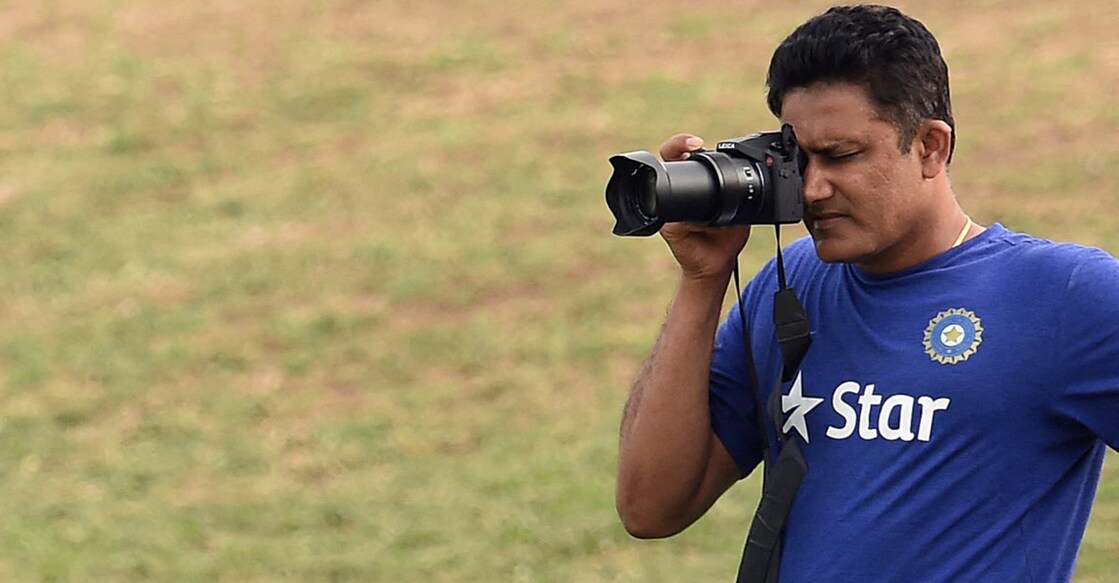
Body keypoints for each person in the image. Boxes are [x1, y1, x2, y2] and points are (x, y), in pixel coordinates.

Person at [614, 4, 1119, 582]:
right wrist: (702, 281)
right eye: (799, 158)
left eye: (841, 155)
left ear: (931, 146)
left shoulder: (1065, 298)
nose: (812, 187)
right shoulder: (790, 285)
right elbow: (650, 508)